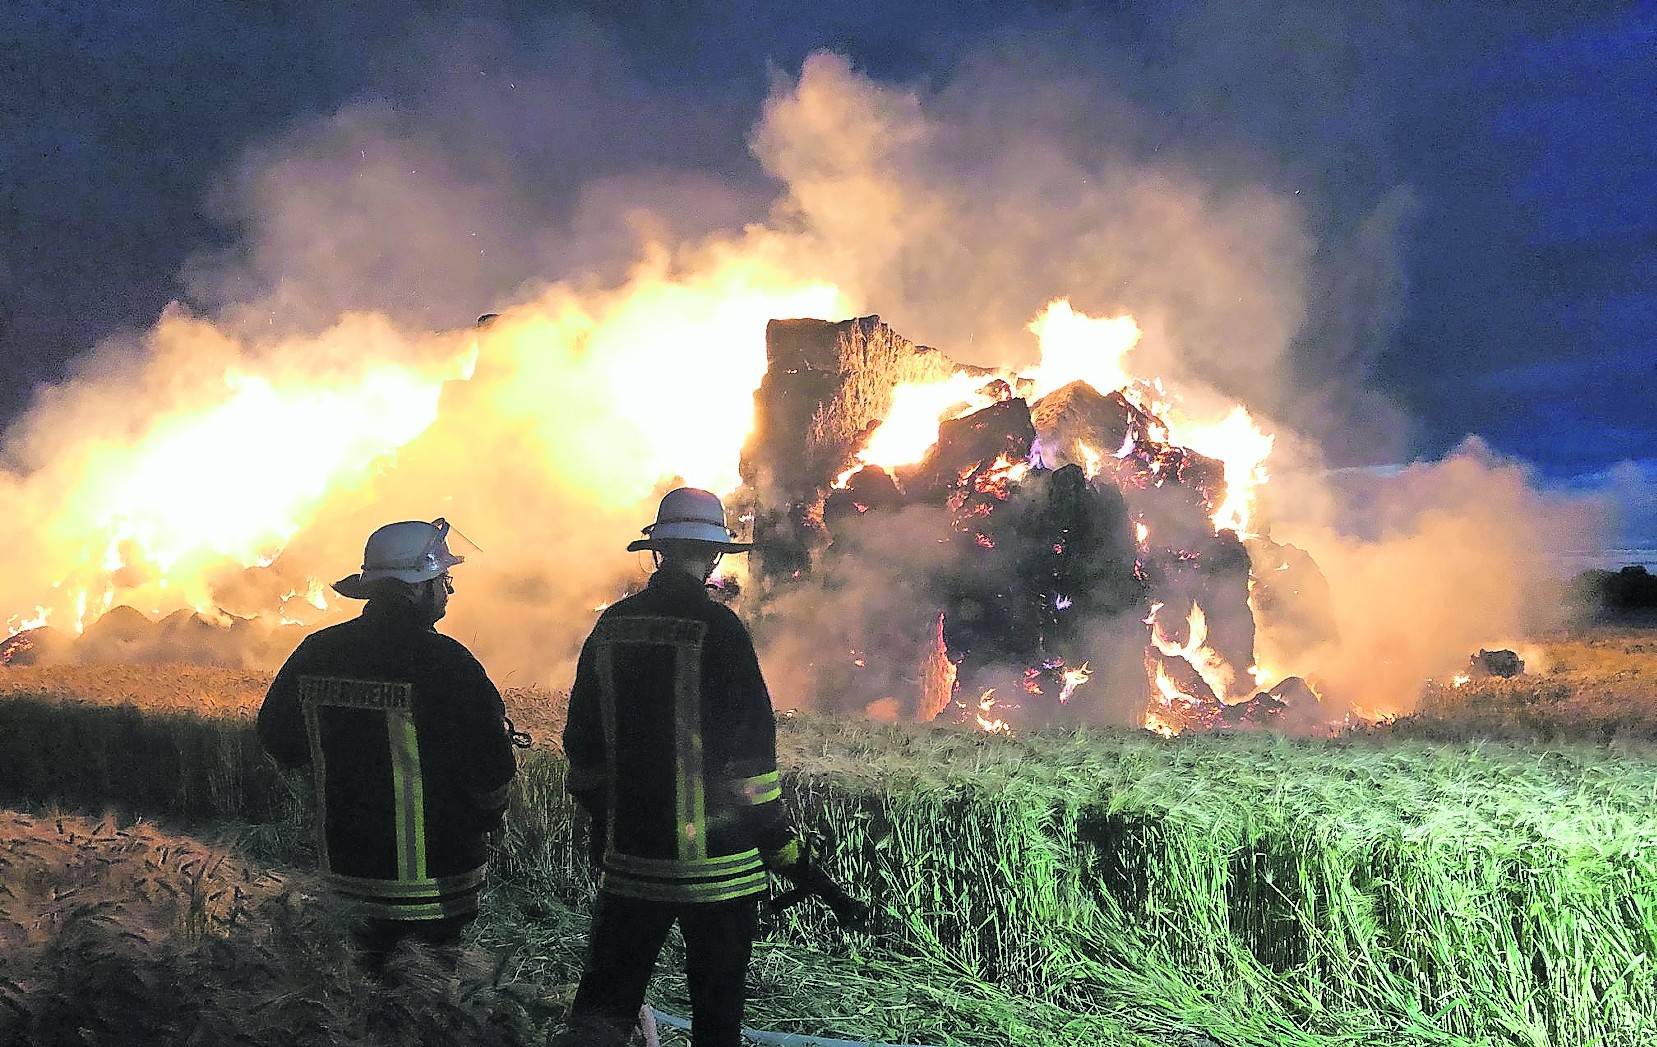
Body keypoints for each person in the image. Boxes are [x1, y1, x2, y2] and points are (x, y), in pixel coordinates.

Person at [559, 488, 806, 1047]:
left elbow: (583, 740)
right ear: (713, 556)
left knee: (605, 1007)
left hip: (632, 862)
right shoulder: (721, 632)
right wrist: (777, 841)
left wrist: (603, 823)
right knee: (717, 1021)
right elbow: (752, 753)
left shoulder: (612, 627)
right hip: (720, 873)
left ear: (657, 551)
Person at [257, 518, 517, 973]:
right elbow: (493, 768)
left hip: (345, 871)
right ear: (416, 588)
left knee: (356, 998)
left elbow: (278, 739)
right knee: (428, 1001)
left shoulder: (317, 651)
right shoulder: (448, 662)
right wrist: (486, 822)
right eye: (443, 580)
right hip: (438, 879)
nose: (447, 592)